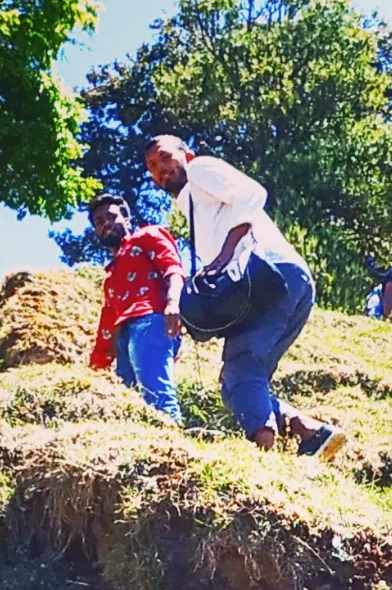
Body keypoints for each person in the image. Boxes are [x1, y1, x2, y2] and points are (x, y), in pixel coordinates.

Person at [143, 136, 346, 461]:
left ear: (186, 155)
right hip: (284, 282)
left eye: (165, 158)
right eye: (152, 167)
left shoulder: (200, 170)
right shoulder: (190, 204)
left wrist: (223, 257)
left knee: (240, 370)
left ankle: (262, 460)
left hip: (269, 273)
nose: (160, 170)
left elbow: (252, 194)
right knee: (238, 379)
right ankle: (309, 432)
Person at [88, 192, 184, 423]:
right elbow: (108, 318)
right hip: (124, 336)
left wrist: (173, 302)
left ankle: (172, 441)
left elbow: (172, 267)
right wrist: (97, 363)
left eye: (111, 216)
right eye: (99, 222)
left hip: (150, 322)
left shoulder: (147, 236)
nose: (106, 224)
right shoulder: (111, 274)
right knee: (130, 401)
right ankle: (151, 443)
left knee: (155, 393)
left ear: (127, 220)